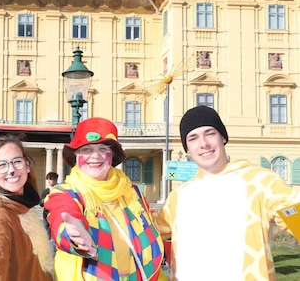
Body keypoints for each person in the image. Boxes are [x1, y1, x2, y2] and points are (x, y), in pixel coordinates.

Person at [154, 105, 300, 280]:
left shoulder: (261, 182)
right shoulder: (178, 197)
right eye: (193, 138)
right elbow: (147, 235)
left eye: (210, 133)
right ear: (187, 148)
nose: (203, 144)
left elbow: (293, 214)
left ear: (223, 137)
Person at [44, 117, 165, 281]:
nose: (95, 156)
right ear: (76, 156)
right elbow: (62, 216)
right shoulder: (64, 192)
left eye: (103, 149)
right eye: (86, 149)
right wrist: (73, 237)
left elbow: (150, 226)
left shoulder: (132, 191)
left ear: (112, 156)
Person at [0, 135, 54, 280]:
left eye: (17, 161)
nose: (11, 170)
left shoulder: (22, 207)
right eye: (2, 165)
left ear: (27, 166)